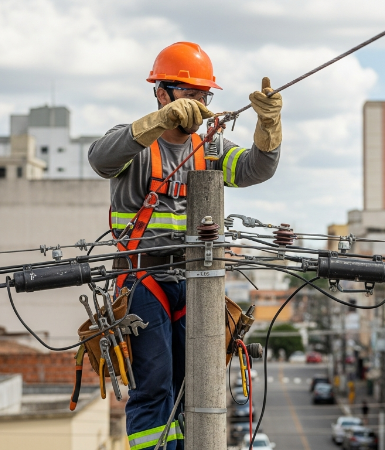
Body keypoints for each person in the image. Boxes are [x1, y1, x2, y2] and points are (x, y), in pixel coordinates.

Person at [88, 41, 282, 450]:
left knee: (194, 383)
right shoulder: (137, 144)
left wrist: (269, 128)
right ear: (162, 93)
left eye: (203, 95)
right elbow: (101, 159)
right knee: (154, 382)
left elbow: (255, 168)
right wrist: (157, 122)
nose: (198, 103)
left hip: (195, 277)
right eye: (189, 94)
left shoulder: (209, 148)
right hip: (143, 278)